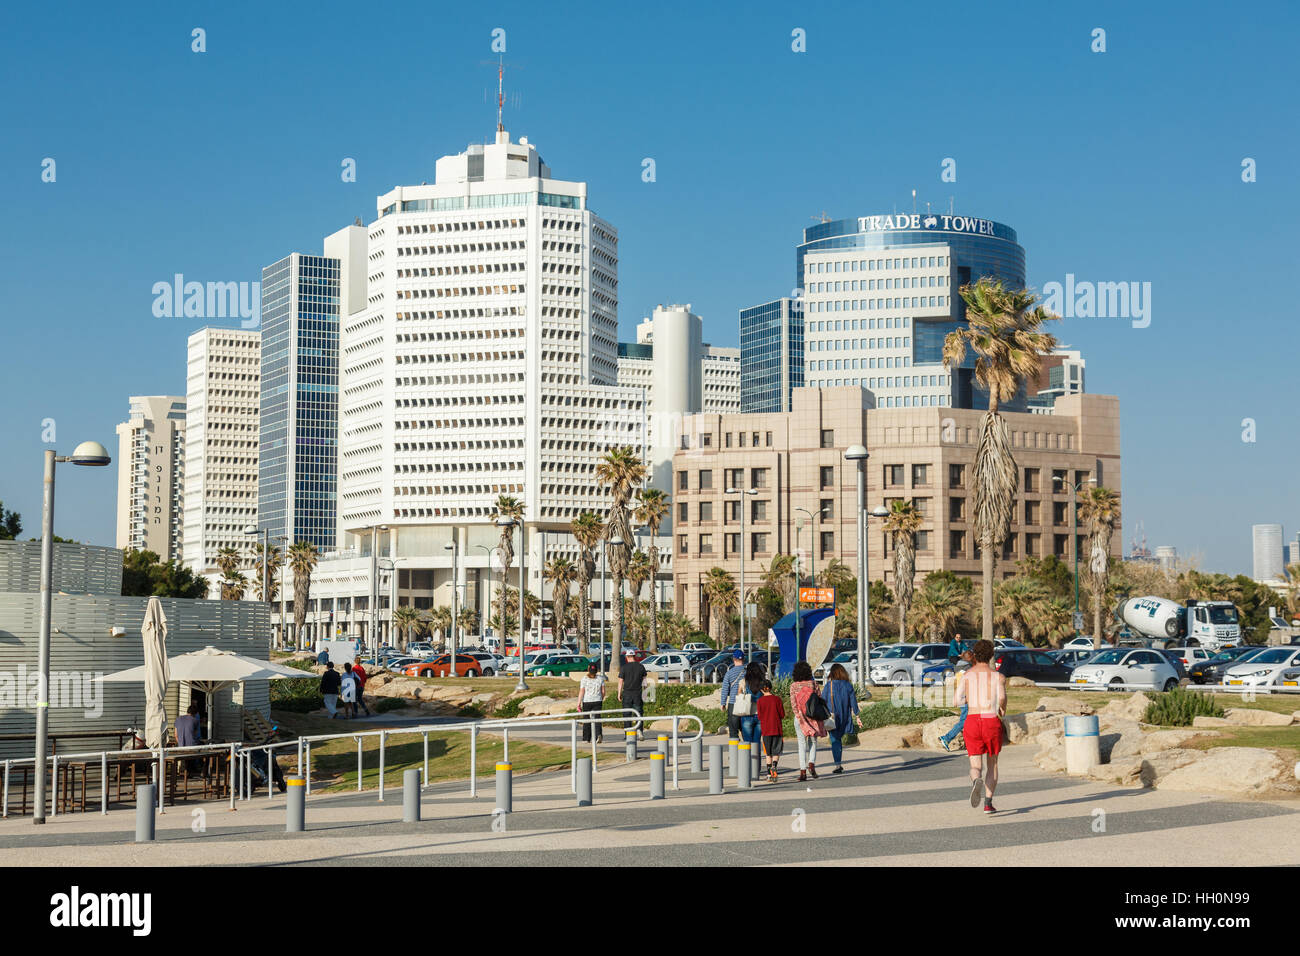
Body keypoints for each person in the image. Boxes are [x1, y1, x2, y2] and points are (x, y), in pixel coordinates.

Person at [955, 639, 1007, 813]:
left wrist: (969, 700)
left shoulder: (967, 675)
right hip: (990, 719)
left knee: (975, 764)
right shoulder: (997, 676)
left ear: (975, 655)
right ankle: (988, 803)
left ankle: (976, 779)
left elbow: (956, 700)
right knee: (992, 764)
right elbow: (1001, 698)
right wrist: (1002, 709)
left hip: (972, 720)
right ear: (991, 655)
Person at [789, 661, 826, 781]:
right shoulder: (814, 684)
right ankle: (811, 764)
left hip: (800, 717)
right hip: (813, 717)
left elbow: (793, 704)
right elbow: (819, 699)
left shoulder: (794, 686)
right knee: (813, 742)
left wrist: (799, 715)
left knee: (801, 744)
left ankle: (803, 771)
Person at [823, 663, 863, 773]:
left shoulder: (828, 686)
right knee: (838, 739)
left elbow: (823, 701)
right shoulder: (848, 685)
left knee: (835, 740)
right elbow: (853, 703)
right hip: (845, 717)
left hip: (832, 717)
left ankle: (838, 764)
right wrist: (858, 716)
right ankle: (838, 763)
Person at [940, 649, 974, 751]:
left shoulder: (958, 667)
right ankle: (946, 738)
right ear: (969, 658)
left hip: (959, 695)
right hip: (964, 697)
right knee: (964, 721)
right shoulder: (967, 668)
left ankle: (970, 743)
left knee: (968, 720)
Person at [756, 679, 786, 782]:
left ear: (761, 690)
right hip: (777, 729)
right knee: (776, 752)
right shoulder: (777, 699)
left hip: (766, 730)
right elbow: (782, 715)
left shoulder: (760, 701)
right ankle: (774, 766)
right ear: (771, 688)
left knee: (768, 753)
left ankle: (769, 774)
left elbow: (759, 716)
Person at [617, 650, 648, 738]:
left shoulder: (624, 667)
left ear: (627, 657)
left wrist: (619, 693)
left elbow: (620, 681)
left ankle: (628, 733)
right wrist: (645, 692)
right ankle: (640, 731)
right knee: (639, 713)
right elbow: (645, 682)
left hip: (627, 693)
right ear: (634, 656)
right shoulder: (641, 667)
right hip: (638, 693)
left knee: (627, 714)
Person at [718, 651, 746, 739]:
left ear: (734, 659)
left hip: (733, 703)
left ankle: (735, 750)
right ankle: (747, 750)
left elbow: (725, 689)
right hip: (746, 703)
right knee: (746, 730)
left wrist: (723, 703)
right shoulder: (748, 671)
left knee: (733, 730)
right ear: (743, 659)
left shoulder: (729, 673)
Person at [737, 663, 764, 748]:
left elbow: (739, 694)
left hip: (747, 714)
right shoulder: (763, 682)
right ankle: (757, 760)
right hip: (760, 715)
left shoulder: (744, 681)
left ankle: (748, 760)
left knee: (747, 742)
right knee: (757, 742)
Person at [579, 663, 605, 743]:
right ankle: (598, 735)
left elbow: (582, 691)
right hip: (597, 700)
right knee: (597, 718)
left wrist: (579, 703)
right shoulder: (600, 678)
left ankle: (586, 738)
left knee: (587, 720)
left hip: (587, 701)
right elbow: (603, 691)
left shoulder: (584, 679)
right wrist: (601, 698)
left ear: (588, 669)